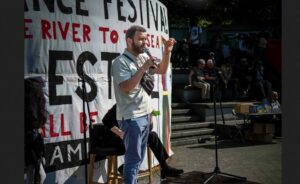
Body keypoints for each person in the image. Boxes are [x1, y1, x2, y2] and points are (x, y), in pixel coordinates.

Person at [111, 25, 176, 184]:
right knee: (133, 160)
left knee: (137, 159)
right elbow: (126, 87)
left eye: (145, 39)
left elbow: (161, 70)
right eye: (140, 39)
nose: (144, 42)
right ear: (129, 40)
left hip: (145, 116)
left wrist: (167, 51)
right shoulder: (120, 62)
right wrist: (143, 68)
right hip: (132, 118)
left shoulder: (142, 58)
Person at [102, 104, 184, 179]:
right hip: (116, 139)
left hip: (132, 138)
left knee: (152, 136)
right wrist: (121, 133)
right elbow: (105, 120)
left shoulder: (141, 109)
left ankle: (165, 167)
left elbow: (148, 130)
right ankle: (128, 169)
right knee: (139, 140)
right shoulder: (121, 105)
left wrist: (150, 117)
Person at [25, 77, 47, 184]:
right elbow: (40, 114)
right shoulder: (37, 92)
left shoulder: (26, 91)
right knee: (39, 175)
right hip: (33, 137)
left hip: (28, 136)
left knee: (31, 171)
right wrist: (38, 126)